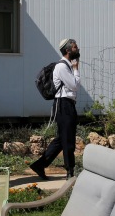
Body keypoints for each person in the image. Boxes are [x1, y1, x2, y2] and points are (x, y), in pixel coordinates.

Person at [30, 38, 81, 180]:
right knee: (68, 140)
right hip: (64, 105)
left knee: (61, 140)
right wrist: (76, 70)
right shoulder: (62, 67)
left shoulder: (67, 66)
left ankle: (40, 165)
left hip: (66, 105)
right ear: (68, 50)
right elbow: (74, 85)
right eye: (75, 47)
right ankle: (70, 172)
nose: (78, 49)